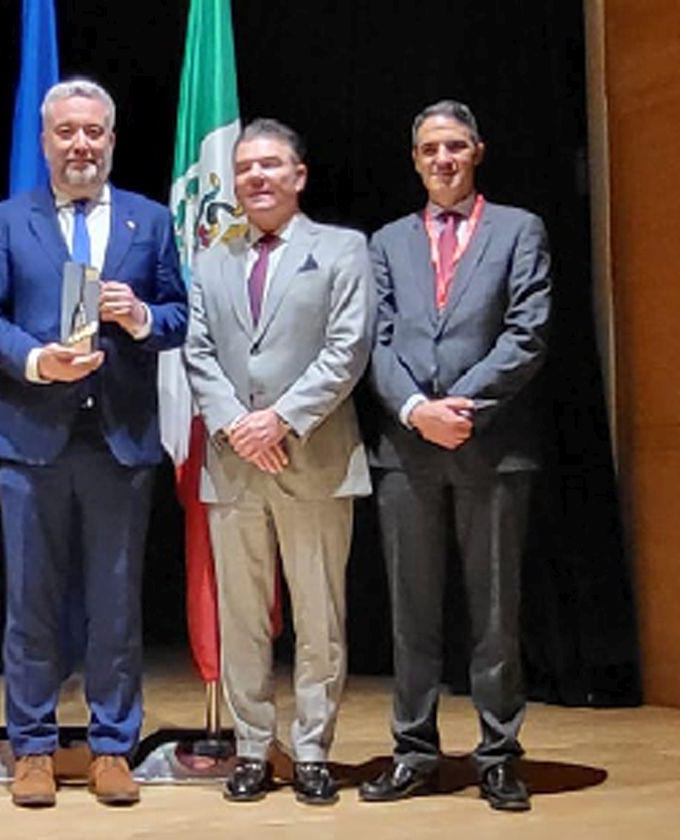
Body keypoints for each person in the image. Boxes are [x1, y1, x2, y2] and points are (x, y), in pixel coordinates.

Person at [0, 78, 188, 808]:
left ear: (113, 140)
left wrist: (140, 320)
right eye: (66, 132)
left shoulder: (149, 221)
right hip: (32, 439)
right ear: (45, 141)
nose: (81, 144)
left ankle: (111, 745)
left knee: (116, 604)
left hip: (120, 441)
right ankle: (31, 746)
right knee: (30, 601)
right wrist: (36, 360)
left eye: (94, 131)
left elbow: (181, 317)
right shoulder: (8, 219)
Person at [361, 100, 551, 812]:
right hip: (406, 449)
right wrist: (415, 411)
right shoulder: (385, 242)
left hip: (488, 445)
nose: (442, 159)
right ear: (415, 160)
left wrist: (457, 408)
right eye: (430, 149)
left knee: (496, 614)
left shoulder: (519, 229)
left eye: (455, 147)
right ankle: (414, 752)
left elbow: (527, 332)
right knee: (411, 615)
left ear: (477, 152)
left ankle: (498, 755)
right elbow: (372, 340)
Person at [184, 119, 374, 805]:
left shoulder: (344, 249)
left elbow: (348, 348)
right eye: (245, 169)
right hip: (234, 464)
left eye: (270, 165)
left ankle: (315, 748)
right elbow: (198, 353)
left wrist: (281, 419)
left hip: (314, 458)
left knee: (320, 617)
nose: (256, 178)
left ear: (299, 175)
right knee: (241, 617)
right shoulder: (212, 259)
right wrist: (239, 425)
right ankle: (253, 747)